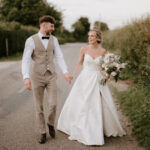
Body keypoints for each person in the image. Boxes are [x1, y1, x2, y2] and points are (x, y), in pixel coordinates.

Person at [57, 29, 126, 145]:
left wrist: (107, 75)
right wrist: (73, 75)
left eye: (92, 36)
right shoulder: (83, 49)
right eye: (89, 36)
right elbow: (80, 63)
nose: (90, 38)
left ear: (98, 38)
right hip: (84, 79)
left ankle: (96, 129)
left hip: (97, 79)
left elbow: (102, 67)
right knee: (83, 102)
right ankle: (83, 128)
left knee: (96, 103)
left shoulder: (103, 51)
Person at [22, 15, 72, 144]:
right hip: (36, 76)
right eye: (52, 25)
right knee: (38, 106)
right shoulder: (31, 40)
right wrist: (26, 77)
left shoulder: (54, 40)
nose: (53, 28)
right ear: (44, 25)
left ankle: (50, 122)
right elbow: (26, 60)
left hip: (51, 76)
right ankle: (42, 132)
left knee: (53, 104)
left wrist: (66, 72)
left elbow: (59, 57)